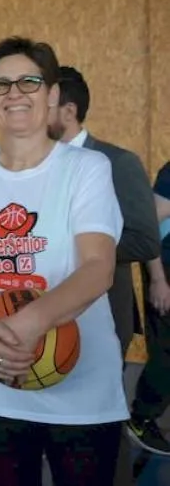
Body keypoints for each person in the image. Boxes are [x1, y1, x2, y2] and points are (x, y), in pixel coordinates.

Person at [0, 37, 127, 486]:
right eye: (1, 84)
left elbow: (97, 268)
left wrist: (24, 327)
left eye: (29, 81)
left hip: (82, 386)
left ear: (51, 95)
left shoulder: (87, 168)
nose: (14, 92)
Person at [47, 65, 161, 356]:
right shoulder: (31, 166)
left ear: (69, 111)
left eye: (44, 105)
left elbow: (145, 240)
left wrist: (75, 242)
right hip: (44, 312)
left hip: (104, 312)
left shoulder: (118, 162)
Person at [125, 161, 170, 455]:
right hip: (166, 268)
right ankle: (141, 418)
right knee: (166, 351)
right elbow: (150, 225)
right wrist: (157, 280)